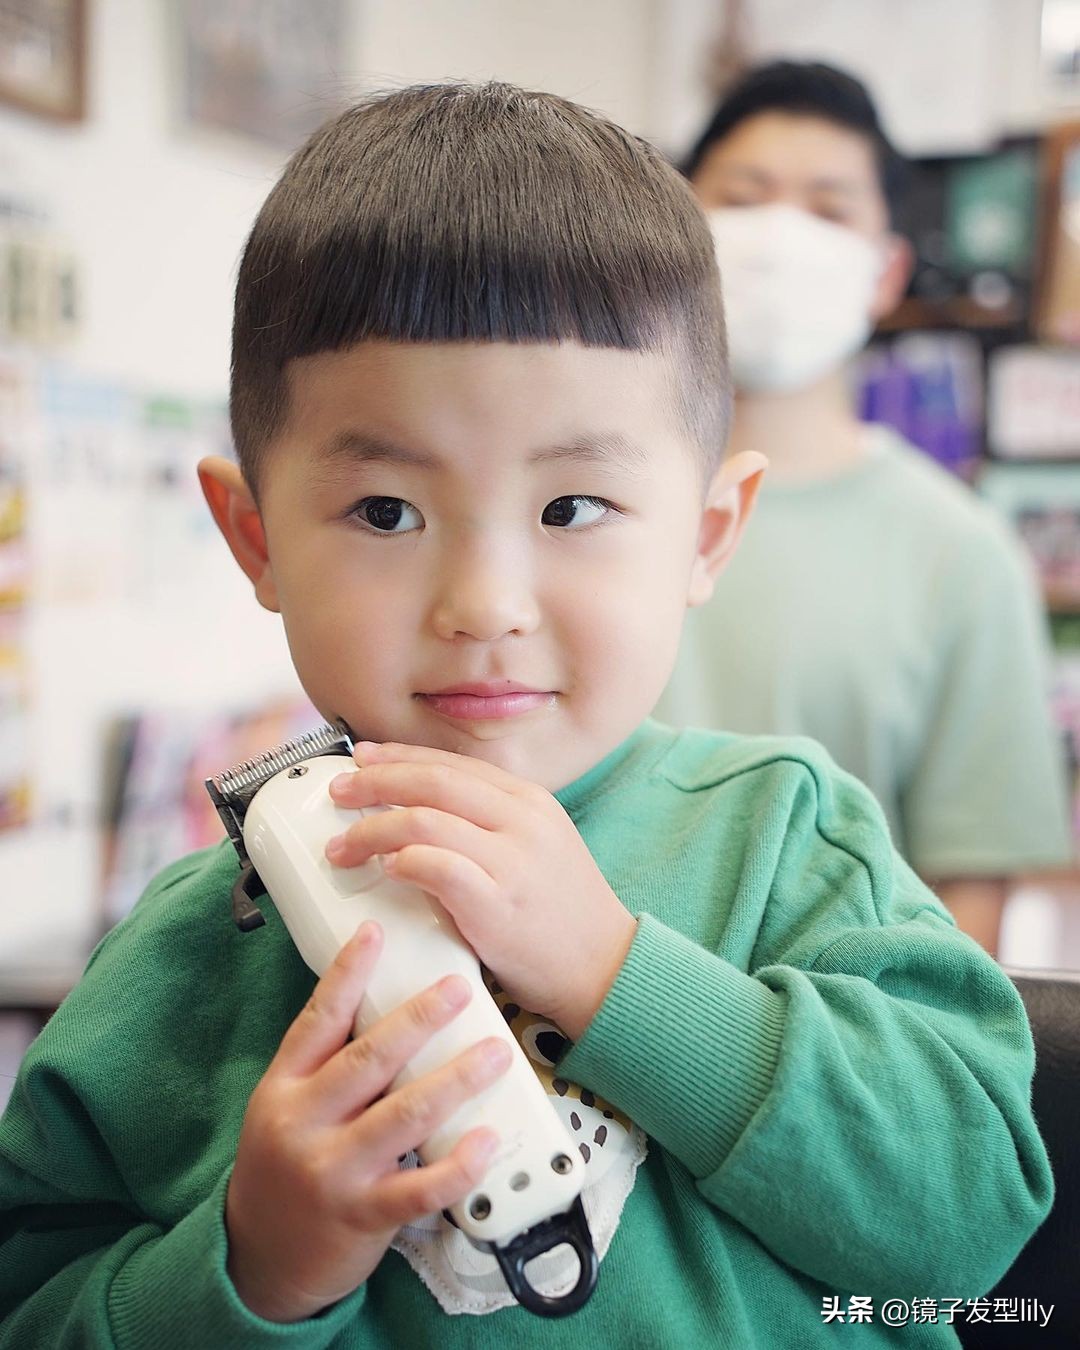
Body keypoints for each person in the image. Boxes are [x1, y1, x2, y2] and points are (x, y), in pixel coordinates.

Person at [0, 83, 1051, 1348]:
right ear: (255, 535)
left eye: (572, 509)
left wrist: (616, 976)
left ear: (706, 534)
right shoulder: (181, 959)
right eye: (386, 512)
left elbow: (974, 1216)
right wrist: (250, 1268)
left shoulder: (788, 837)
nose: (485, 605)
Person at [653, 61, 1073, 955]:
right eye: (745, 198)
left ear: (886, 273)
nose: (782, 238)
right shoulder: (572, 503)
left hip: (825, 1032)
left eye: (829, 209)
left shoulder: (962, 554)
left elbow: (967, 929)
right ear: (679, 232)